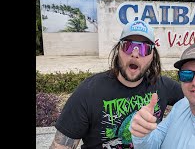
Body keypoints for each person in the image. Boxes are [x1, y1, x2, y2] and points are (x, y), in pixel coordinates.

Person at [50, 20, 184, 148]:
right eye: (128, 45)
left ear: (152, 55)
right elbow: (61, 146)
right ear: (118, 50)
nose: (135, 53)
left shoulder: (163, 85)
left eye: (144, 48)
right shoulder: (89, 92)